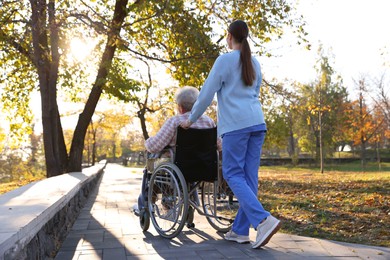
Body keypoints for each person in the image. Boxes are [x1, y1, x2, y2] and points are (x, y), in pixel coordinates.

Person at [180, 20, 280, 249]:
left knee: (232, 172)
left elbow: (206, 93)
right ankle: (240, 231)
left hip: (236, 126)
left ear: (229, 36)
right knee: (249, 177)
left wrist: (191, 119)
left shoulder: (224, 60)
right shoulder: (254, 62)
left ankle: (263, 220)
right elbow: (255, 92)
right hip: (257, 123)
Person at [136, 86, 221, 213]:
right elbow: (219, 145)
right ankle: (185, 201)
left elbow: (154, 146)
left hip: (180, 166)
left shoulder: (175, 121)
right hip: (204, 166)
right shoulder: (209, 121)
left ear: (180, 107)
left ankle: (144, 205)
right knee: (174, 164)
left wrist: (147, 142)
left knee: (151, 167)